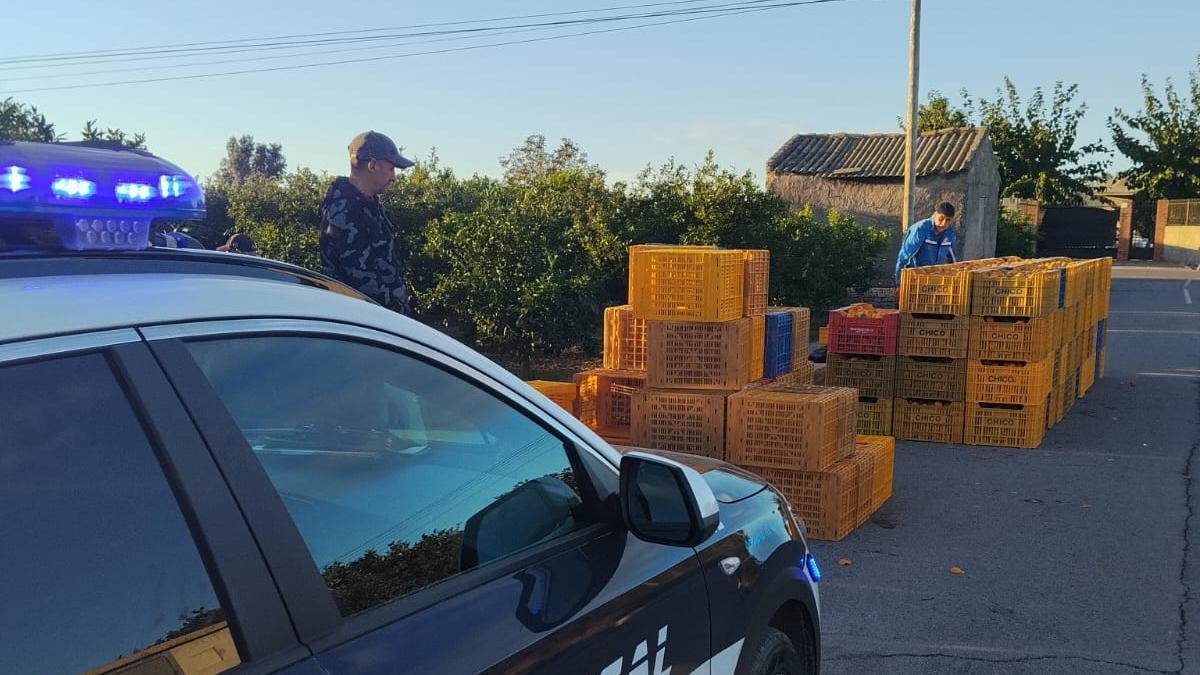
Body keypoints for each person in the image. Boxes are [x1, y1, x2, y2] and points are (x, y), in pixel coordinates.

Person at [319, 131, 414, 315]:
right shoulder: (344, 211)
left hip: (385, 321)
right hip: (369, 322)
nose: (393, 177)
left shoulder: (366, 205)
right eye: (391, 168)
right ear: (372, 165)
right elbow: (364, 284)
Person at [895, 201, 958, 284]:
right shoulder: (921, 229)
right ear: (935, 214)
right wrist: (899, 283)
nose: (943, 224)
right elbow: (904, 257)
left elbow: (952, 262)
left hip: (937, 282)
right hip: (915, 281)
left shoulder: (949, 234)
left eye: (948, 220)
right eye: (941, 218)